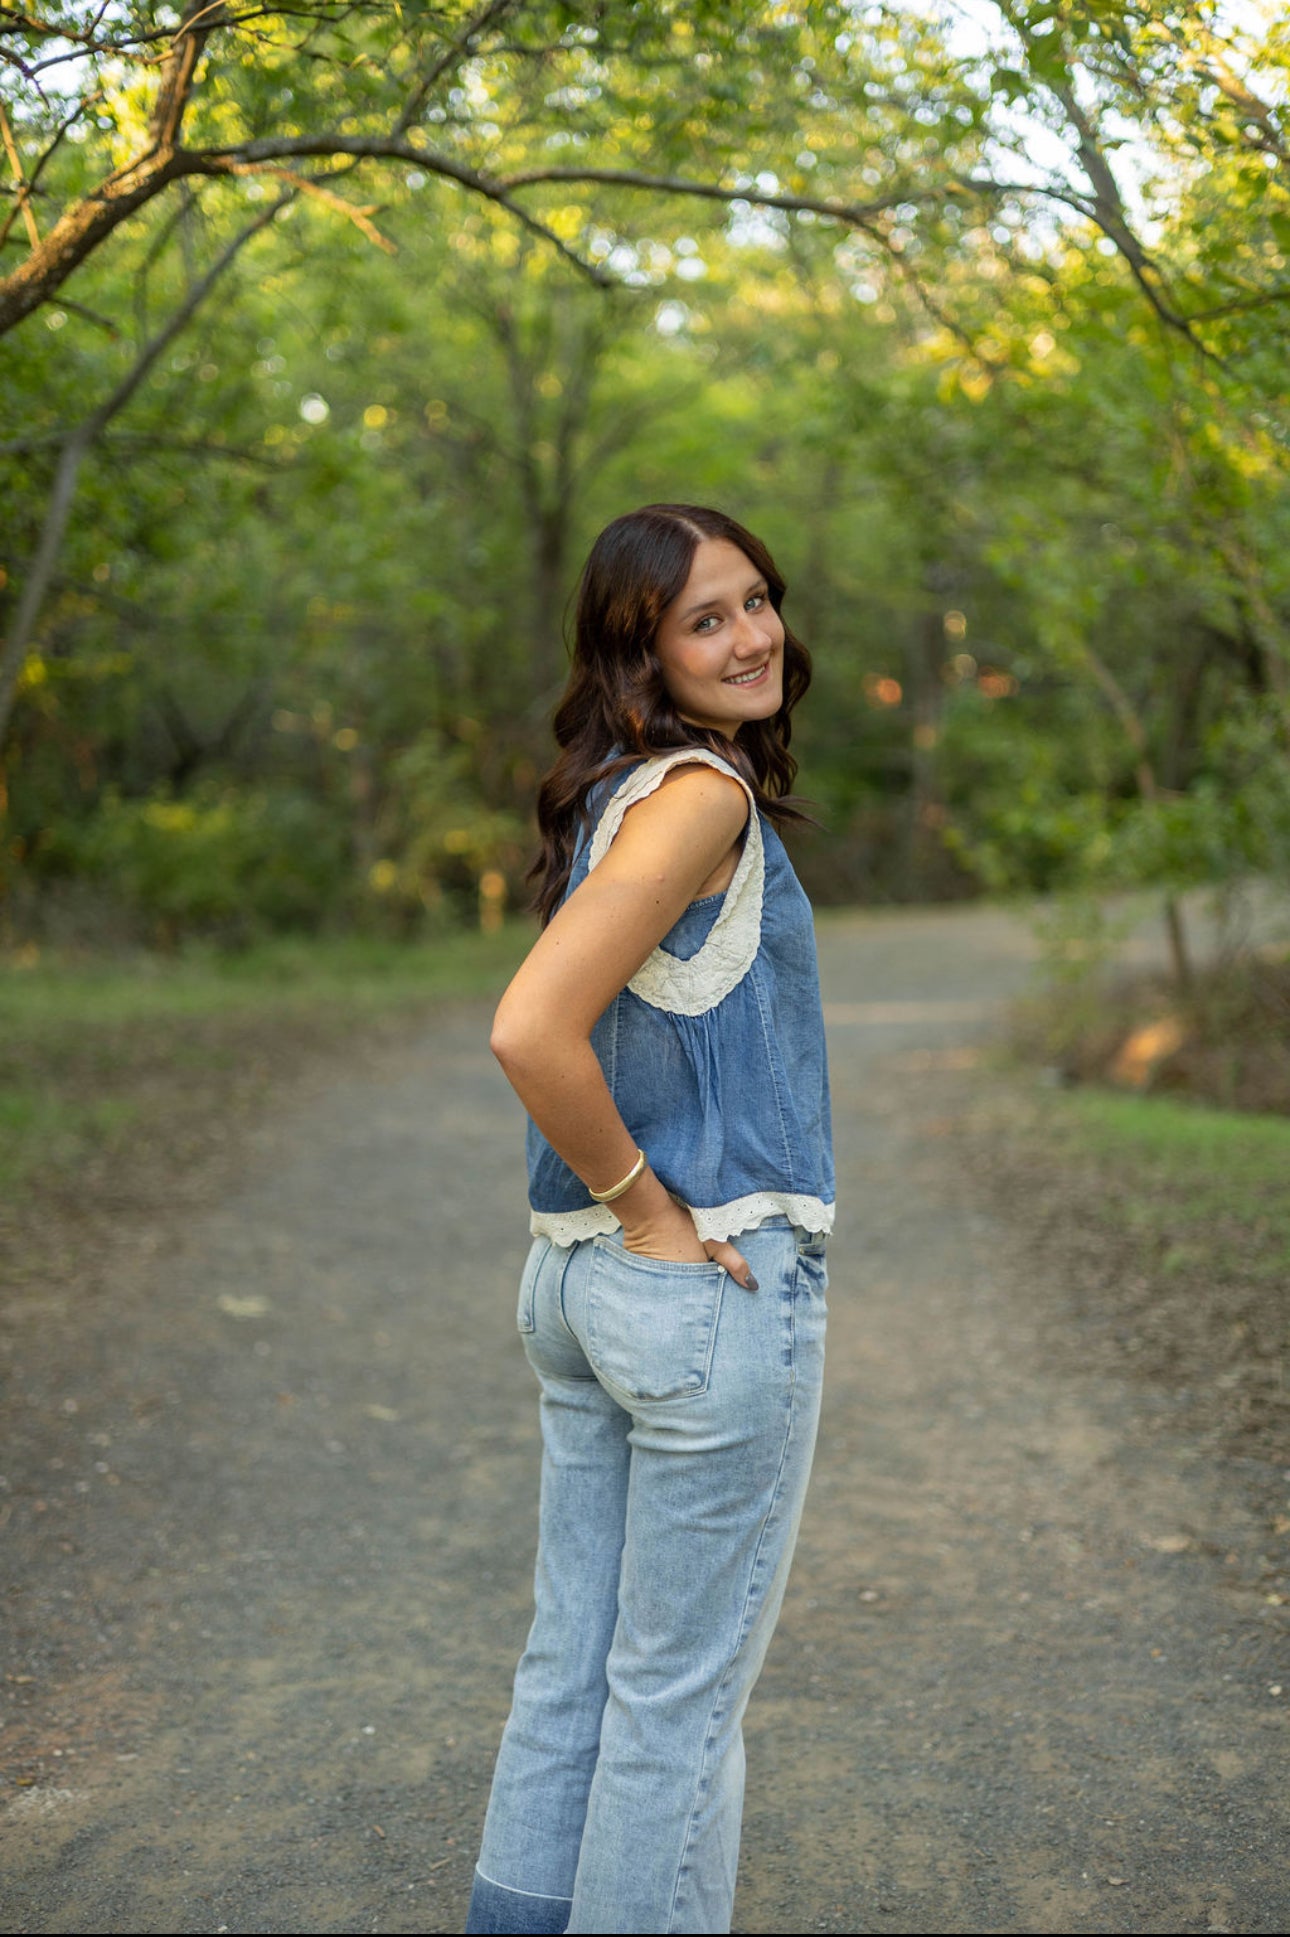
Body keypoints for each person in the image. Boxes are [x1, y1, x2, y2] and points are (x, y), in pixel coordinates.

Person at [465, 502, 834, 1936]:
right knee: (674, 1708)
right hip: (689, 1288)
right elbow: (530, 1027)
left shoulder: (621, 792)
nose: (750, 637)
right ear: (641, 651)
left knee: (573, 1674)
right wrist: (653, 1212)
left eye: (757, 600)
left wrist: (622, 1226)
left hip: (578, 1291)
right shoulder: (699, 798)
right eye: (705, 619)